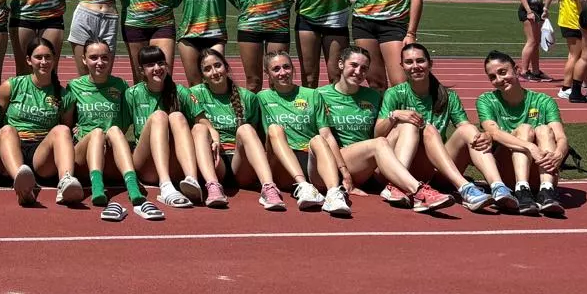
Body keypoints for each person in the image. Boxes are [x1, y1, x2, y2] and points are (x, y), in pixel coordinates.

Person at [316, 47, 453, 213]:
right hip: (339, 162)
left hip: (370, 165)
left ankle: (395, 186)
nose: (358, 71)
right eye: (353, 65)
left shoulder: (373, 96)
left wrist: (396, 115)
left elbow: (381, 132)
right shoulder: (319, 95)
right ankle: (417, 190)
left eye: (364, 68)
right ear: (340, 64)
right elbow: (321, 138)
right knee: (378, 143)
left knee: (407, 124)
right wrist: (343, 172)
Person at [376, 42, 506, 213]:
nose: (415, 66)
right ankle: (463, 188)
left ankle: (498, 187)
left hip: (434, 169)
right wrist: (395, 115)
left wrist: (484, 136)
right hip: (397, 167)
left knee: (469, 130)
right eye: (409, 62)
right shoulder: (395, 93)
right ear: (402, 66)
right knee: (421, 127)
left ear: (430, 64)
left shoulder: (448, 96)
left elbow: (465, 127)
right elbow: (377, 134)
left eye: (420, 61)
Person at [62, 38, 153, 220]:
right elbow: (66, 123)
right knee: (97, 133)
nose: (99, 62)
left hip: (112, 156)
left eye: (104, 57)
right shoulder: (74, 86)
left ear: (111, 59)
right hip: (83, 158)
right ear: (84, 60)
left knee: (114, 131)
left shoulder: (120, 85)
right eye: (94, 57)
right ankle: (97, 186)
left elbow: (125, 122)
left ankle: (132, 186)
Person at [187, 48, 284, 210]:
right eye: (207, 69)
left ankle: (269, 187)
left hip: (241, 164)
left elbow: (256, 135)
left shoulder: (248, 97)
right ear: (202, 75)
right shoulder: (194, 95)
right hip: (214, 161)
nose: (214, 72)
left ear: (226, 67)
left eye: (218, 65)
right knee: (199, 129)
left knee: (245, 129)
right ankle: (213, 187)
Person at [0, 37, 84, 205]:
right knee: (7, 130)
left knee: (62, 130)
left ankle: (65, 183)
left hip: (40, 155)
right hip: (10, 147)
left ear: (54, 59)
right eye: (38, 57)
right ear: (28, 60)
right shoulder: (11, 86)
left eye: (48, 57)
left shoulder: (64, 96)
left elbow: (68, 129)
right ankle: (21, 184)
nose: (44, 61)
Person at [254, 51, 348, 214]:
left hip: (311, 160)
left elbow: (326, 135)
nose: (282, 73)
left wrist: (344, 172)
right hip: (281, 163)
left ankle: (333, 194)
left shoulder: (312, 94)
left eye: (286, 67)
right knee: (274, 129)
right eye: (276, 69)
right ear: (267, 73)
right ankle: (303, 186)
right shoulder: (261, 98)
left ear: (293, 69)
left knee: (318, 139)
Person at [476, 50, 568, 216]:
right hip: (507, 173)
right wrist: (530, 147)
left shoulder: (544, 101)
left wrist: (560, 154)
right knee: (524, 129)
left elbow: (560, 137)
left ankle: (547, 191)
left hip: (541, 169)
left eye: (503, 72)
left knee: (543, 130)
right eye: (492, 77)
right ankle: (521, 189)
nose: (499, 79)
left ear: (517, 70)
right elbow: (494, 133)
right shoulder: (486, 100)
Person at [121, 47, 200, 212]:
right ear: (141, 70)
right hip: (146, 166)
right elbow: (119, 129)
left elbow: (203, 123)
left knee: (177, 117)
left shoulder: (180, 92)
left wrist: (213, 138)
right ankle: (165, 186)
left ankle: (191, 179)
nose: (157, 68)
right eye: (150, 64)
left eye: (160, 62)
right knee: (159, 116)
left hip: (175, 164)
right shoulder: (132, 94)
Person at [517, 0, 553, 82]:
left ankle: (536, 71)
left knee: (536, 42)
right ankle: (524, 71)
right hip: (529, 10)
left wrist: (544, 9)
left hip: (537, 9)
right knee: (531, 41)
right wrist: (529, 11)